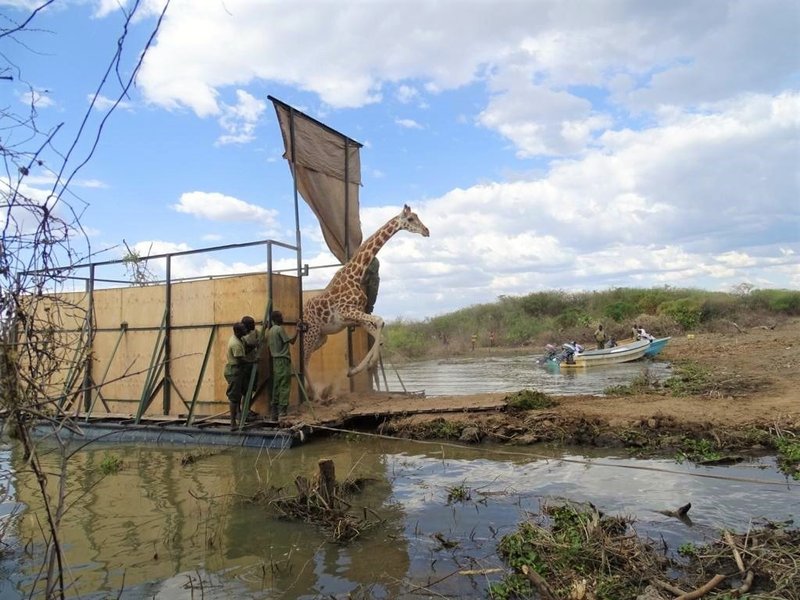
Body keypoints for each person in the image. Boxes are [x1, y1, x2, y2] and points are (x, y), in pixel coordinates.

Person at [268, 310, 300, 420]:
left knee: (276, 385)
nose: (283, 318)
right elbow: (291, 341)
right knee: (284, 386)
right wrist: (297, 331)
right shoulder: (279, 329)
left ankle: (274, 412)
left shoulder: (271, 330)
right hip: (283, 360)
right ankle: (283, 412)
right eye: (281, 316)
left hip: (275, 361)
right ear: (277, 318)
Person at [224, 322, 248, 430]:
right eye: (243, 329)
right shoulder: (235, 344)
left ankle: (239, 414)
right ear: (238, 331)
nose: (246, 330)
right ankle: (233, 423)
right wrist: (253, 361)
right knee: (234, 397)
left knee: (239, 394)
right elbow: (240, 359)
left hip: (239, 370)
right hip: (235, 371)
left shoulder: (240, 339)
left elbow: (246, 349)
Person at [241, 315, 261, 413]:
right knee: (244, 390)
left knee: (250, 389)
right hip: (245, 365)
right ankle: (242, 411)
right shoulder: (242, 337)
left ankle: (247, 409)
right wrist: (254, 346)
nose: (254, 325)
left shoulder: (254, 332)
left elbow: (260, 338)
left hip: (252, 364)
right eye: (252, 324)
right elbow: (243, 351)